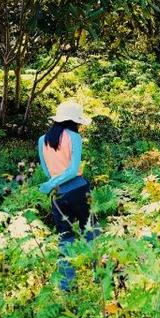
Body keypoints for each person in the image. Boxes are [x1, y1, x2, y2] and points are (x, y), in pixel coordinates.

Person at [38, 100, 97, 289]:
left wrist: (51, 184)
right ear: (74, 121)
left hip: (57, 195)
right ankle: (101, 276)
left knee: (65, 239)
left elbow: (47, 171)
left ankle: (67, 286)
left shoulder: (42, 140)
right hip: (79, 189)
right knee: (92, 231)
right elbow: (72, 171)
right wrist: (55, 182)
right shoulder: (74, 137)